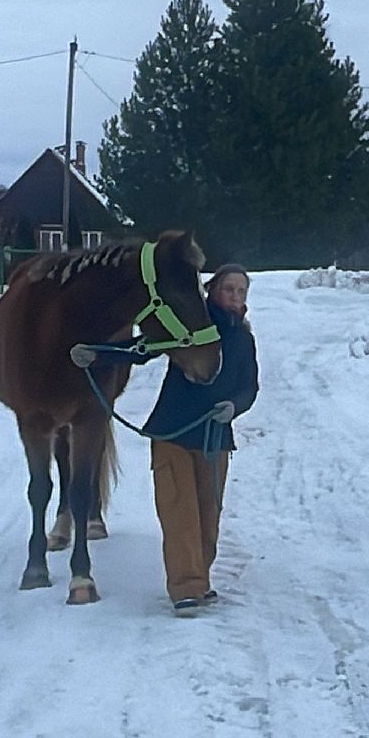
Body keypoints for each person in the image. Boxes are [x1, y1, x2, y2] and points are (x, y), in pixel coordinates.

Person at [72, 264, 258, 616]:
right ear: (212, 291)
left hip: (214, 438)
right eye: (229, 289)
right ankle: (185, 588)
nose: (235, 297)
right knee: (180, 512)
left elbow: (250, 387)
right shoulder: (192, 326)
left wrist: (234, 407)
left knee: (208, 514)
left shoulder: (244, 339)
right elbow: (144, 348)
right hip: (173, 432)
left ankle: (199, 580)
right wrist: (98, 355)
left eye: (241, 291)